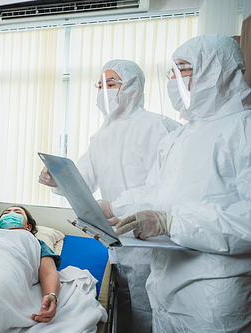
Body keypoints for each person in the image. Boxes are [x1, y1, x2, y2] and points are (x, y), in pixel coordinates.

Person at [111, 34, 251, 332]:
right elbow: (154, 195)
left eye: (183, 69)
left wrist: (173, 222)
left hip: (214, 297)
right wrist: (117, 213)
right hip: (164, 288)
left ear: (219, 69)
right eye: (170, 71)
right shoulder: (179, 137)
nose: (174, 79)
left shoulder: (244, 130)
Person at [39, 59, 180, 332]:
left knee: (150, 307)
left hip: (149, 238)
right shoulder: (101, 135)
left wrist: (115, 205)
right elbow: (82, 180)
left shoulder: (154, 126)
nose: (104, 91)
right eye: (99, 85)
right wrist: (57, 178)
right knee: (124, 304)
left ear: (132, 87)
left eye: (111, 84)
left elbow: (163, 185)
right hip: (116, 237)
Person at [0, 206, 61, 323]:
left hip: (1, 275)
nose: (10, 214)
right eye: (6, 213)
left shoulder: (34, 242)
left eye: (17, 212)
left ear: (28, 227)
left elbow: (48, 273)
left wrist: (51, 295)